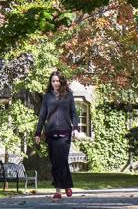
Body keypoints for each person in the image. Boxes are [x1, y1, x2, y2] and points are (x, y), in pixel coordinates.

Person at [35, 70, 80, 200]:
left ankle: (64, 186)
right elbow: (42, 116)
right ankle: (59, 190)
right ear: (51, 82)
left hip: (65, 133)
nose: (55, 83)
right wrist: (38, 133)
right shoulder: (47, 97)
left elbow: (73, 113)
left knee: (62, 161)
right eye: (53, 81)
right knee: (55, 163)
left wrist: (75, 128)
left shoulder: (68, 95)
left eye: (57, 81)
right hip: (51, 134)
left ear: (61, 82)